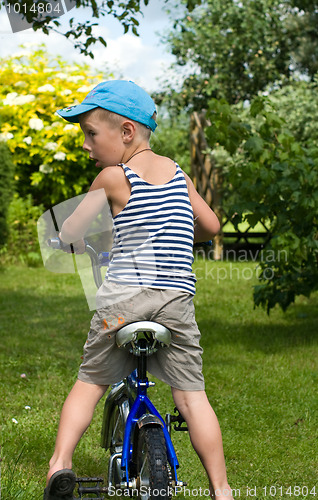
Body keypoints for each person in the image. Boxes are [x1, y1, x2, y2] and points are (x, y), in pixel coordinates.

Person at [43, 80, 233, 500]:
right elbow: (212, 227)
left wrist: (69, 239)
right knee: (192, 397)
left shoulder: (113, 177)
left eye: (92, 133)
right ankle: (222, 490)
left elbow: (72, 229)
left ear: (126, 132)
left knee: (90, 380)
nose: (88, 146)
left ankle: (60, 464)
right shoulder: (179, 175)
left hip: (122, 303)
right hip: (176, 303)